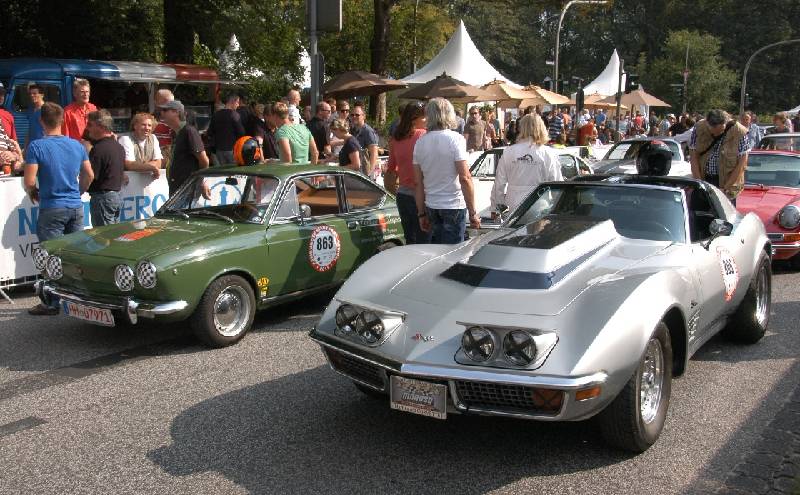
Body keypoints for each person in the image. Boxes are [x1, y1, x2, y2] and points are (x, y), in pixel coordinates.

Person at [24, 102, 94, 315]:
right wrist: (80, 191)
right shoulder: (77, 146)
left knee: (51, 255)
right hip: (75, 205)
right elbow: (89, 174)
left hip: (52, 206)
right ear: (62, 120)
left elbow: (29, 180)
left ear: (41, 121)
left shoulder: (37, 146)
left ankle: (51, 303)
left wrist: (33, 192)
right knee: (75, 255)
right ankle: (79, 297)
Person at [413, 98, 480, 244]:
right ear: (449, 114)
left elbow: (418, 183)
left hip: (431, 205)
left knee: (437, 255)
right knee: (454, 255)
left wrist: (421, 213)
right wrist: (473, 212)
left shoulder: (420, 143)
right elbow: (465, 177)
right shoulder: (456, 139)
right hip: (453, 204)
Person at [491, 113, 563, 214]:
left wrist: (496, 208)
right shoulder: (548, 153)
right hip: (539, 204)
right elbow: (557, 182)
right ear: (541, 128)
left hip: (514, 205)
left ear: (521, 128)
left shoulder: (509, 151)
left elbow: (499, 183)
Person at [386, 101, 428, 244]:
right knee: (424, 243)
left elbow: (391, 170)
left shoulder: (395, 139)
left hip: (403, 195)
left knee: (410, 241)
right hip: (421, 196)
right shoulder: (423, 135)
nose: (427, 120)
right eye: (424, 117)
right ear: (415, 118)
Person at [689, 109, 749, 205]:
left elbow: (742, 164)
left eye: (720, 131)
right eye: (712, 131)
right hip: (704, 179)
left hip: (727, 184)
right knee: (698, 215)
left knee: (724, 218)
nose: (716, 134)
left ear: (725, 123)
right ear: (707, 123)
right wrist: (700, 184)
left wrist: (725, 188)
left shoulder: (740, 132)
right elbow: (693, 157)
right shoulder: (699, 127)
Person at [85, 110, 125, 226]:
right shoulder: (118, 146)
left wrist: (79, 190)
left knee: (103, 238)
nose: (88, 129)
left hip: (103, 197)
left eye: (90, 125)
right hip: (116, 196)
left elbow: (91, 175)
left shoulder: (99, 149)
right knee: (112, 235)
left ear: (101, 127)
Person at [161, 100, 209, 195]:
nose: (162, 113)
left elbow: (204, 161)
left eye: (165, 110)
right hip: (178, 189)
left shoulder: (189, 131)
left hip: (187, 191)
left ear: (176, 112)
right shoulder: (177, 133)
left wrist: (201, 181)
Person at [117, 112, 162, 178]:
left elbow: (158, 162)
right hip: (129, 182)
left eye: (149, 125)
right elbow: (129, 165)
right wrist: (151, 167)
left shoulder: (153, 138)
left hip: (146, 182)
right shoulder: (126, 138)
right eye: (143, 125)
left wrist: (143, 167)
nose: (147, 128)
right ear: (135, 126)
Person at [207, 93, 244, 165]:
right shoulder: (234, 115)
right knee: (233, 171)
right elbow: (241, 132)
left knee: (222, 172)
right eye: (237, 102)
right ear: (233, 102)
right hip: (232, 149)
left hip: (219, 150)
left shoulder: (216, 114)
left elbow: (210, 132)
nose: (238, 105)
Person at [350, 102, 379, 176]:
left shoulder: (368, 131)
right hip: (356, 171)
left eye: (357, 115)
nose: (354, 117)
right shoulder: (353, 130)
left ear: (364, 116)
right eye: (352, 115)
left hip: (364, 173)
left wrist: (369, 173)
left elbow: (374, 154)